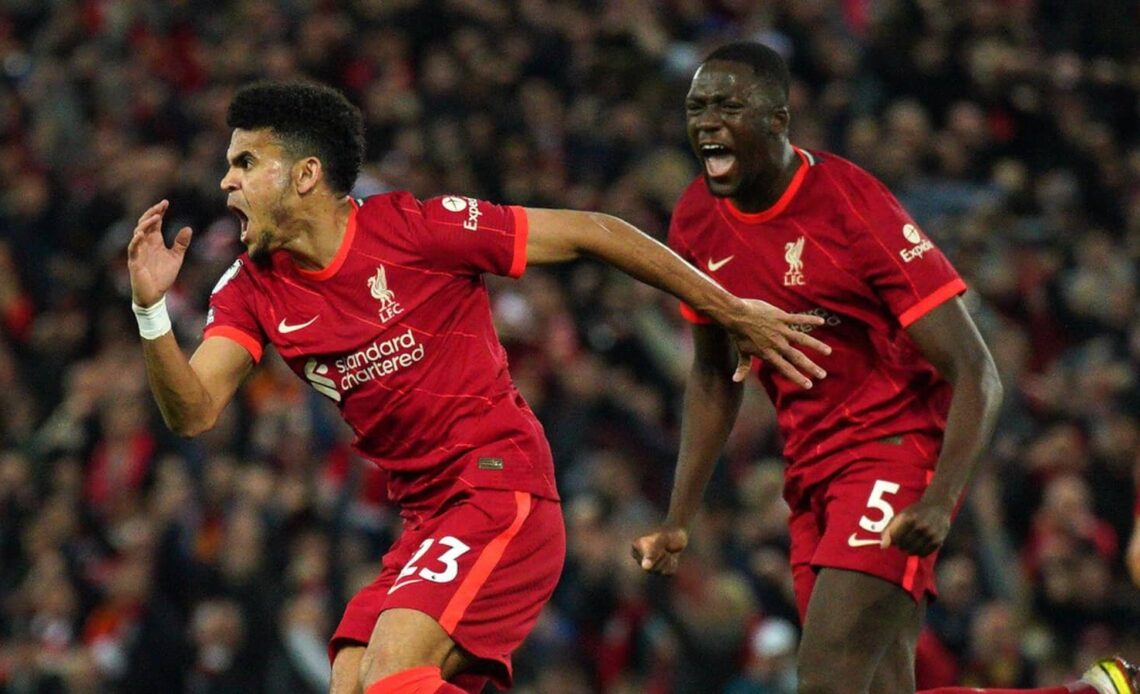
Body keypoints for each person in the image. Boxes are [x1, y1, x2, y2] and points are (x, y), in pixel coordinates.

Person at [126, 80, 832, 694]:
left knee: (392, 675)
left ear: (305, 175)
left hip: (500, 492)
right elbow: (193, 413)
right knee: (352, 681)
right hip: (426, 523)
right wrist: (151, 311)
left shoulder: (415, 230)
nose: (226, 182)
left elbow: (595, 231)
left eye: (245, 163)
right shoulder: (251, 292)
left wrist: (731, 308)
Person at [630, 42, 1138, 694]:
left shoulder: (847, 203)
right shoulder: (696, 219)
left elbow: (976, 369)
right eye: (696, 106)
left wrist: (941, 498)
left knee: (825, 681)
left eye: (727, 105)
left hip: (891, 456)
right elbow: (709, 376)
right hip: (810, 474)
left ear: (779, 117)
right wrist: (678, 517)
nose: (705, 121)